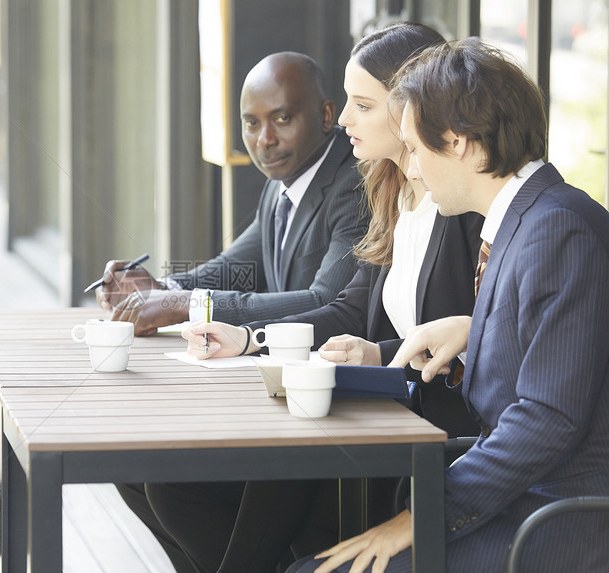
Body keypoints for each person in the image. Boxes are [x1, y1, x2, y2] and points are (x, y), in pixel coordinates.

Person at [138, 23, 482, 573]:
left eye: (360, 104)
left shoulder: (459, 208)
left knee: (259, 480)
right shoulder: (390, 193)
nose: (344, 117)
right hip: (372, 419)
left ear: (411, 108)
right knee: (159, 477)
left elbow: (467, 343)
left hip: (419, 443)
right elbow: (346, 306)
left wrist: (375, 354)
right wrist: (245, 336)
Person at [289, 38, 609, 573]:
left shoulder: (556, 230)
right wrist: (473, 330)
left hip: (552, 524)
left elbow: (548, 417)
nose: (410, 171)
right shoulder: (528, 221)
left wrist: (424, 516)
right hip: (518, 502)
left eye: (414, 150)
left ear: (458, 142)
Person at [97, 51, 368, 337]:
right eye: (252, 123)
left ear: (326, 116)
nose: (265, 140)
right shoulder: (287, 177)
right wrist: (163, 288)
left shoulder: (355, 184)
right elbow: (240, 267)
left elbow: (327, 302)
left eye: (282, 118)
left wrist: (187, 303)